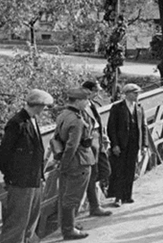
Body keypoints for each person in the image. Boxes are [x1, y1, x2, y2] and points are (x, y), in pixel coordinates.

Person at [0, 89, 54, 243]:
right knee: (17, 223)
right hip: (20, 181)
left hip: (34, 179)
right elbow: (3, 153)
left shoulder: (32, 120)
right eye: (44, 106)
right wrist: (11, 176)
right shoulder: (16, 123)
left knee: (31, 221)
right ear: (38, 105)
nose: (45, 110)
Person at [56, 88, 96, 240]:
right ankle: (68, 229)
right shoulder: (77, 120)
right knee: (73, 197)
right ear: (78, 101)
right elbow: (72, 146)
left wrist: (62, 162)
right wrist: (65, 164)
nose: (87, 103)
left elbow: (57, 137)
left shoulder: (63, 115)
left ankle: (69, 224)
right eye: (85, 100)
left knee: (66, 195)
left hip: (70, 161)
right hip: (79, 161)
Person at [107, 83, 149, 207]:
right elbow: (111, 128)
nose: (137, 95)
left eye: (138, 93)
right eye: (135, 93)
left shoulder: (139, 108)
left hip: (134, 144)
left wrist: (144, 144)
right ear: (127, 94)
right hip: (121, 144)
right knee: (119, 169)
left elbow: (143, 127)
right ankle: (118, 197)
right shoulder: (117, 108)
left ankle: (127, 195)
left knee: (130, 169)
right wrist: (114, 144)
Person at [80, 81, 112, 217]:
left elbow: (98, 123)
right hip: (89, 144)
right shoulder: (81, 105)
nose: (97, 94)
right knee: (92, 175)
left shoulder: (91, 104)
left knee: (105, 171)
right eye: (95, 91)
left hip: (98, 141)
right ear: (87, 91)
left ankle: (93, 197)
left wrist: (103, 137)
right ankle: (94, 205)